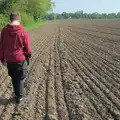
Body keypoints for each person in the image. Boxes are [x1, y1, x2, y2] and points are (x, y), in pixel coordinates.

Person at [0, 12, 32, 104]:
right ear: (19, 19)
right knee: (21, 77)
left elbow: (1, 46)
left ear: (11, 19)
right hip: (20, 59)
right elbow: (27, 46)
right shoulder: (22, 30)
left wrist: (2, 59)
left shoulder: (4, 30)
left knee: (14, 77)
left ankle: (17, 93)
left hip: (9, 59)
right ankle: (20, 97)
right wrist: (29, 55)